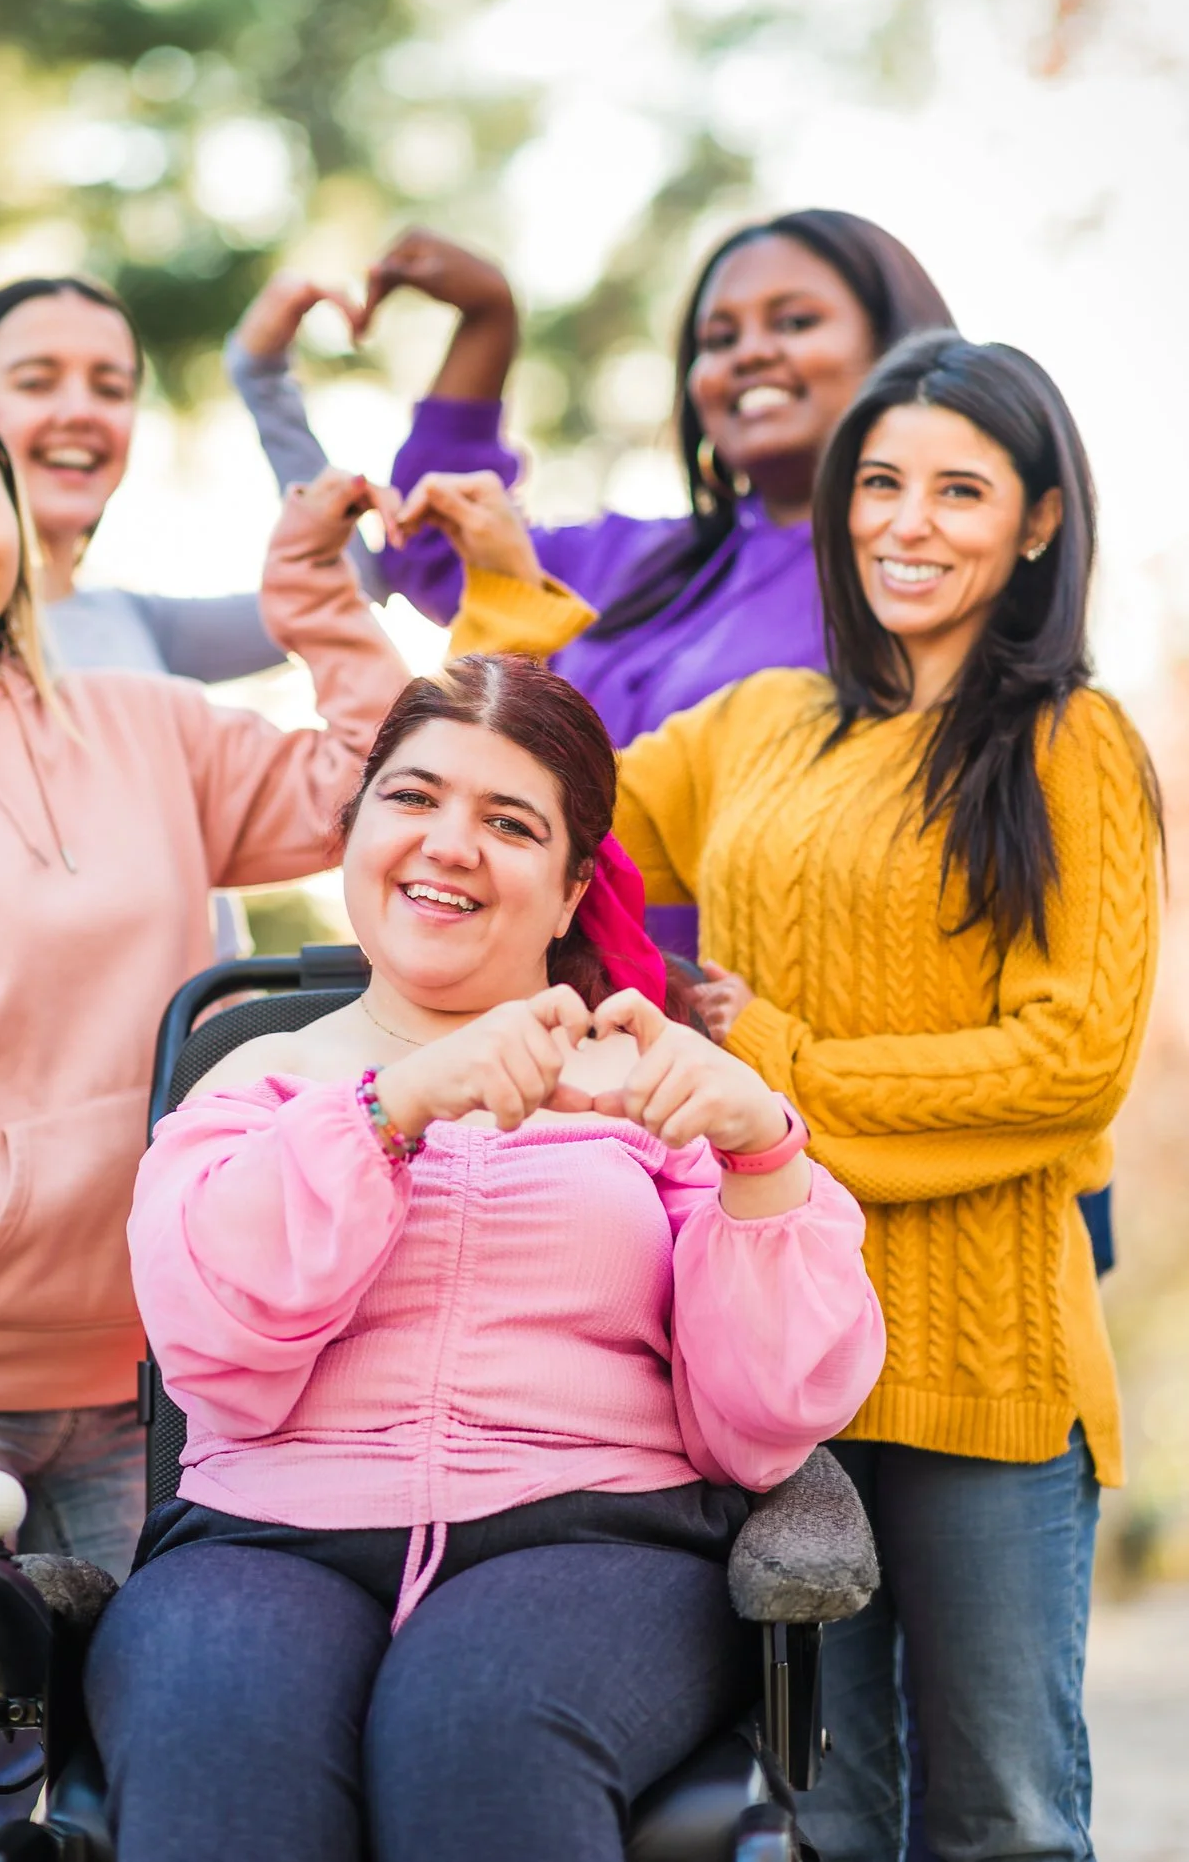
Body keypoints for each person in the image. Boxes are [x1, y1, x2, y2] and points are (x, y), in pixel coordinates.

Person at [433, 333, 1162, 1860]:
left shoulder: (1069, 741)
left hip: (985, 1378)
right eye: (878, 482)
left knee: (1005, 1823)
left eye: (959, 489)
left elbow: (1066, 1066)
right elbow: (552, 814)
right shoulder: (761, 722)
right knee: (811, 1824)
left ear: (1035, 521)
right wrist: (501, 594)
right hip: (772, 1377)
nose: (907, 520)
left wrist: (771, 1067)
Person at [86, 654, 886, 1862]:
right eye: (412, 799)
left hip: (595, 1540)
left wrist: (762, 1153)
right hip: (264, 1533)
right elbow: (214, 1352)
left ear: (569, 893)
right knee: (217, 1733)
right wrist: (385, 1111)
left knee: (476, 1724)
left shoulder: (654, 1098)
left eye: (508, 822)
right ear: (351, 832)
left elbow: (763, 1423)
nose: (449, 843)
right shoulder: (253, 1076)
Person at [0, 378, 409, 1862]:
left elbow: (383, 794)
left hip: (150, 1391)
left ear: (12, 518)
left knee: (141, 1796)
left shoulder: (146, 729)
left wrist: (317, 600)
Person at [233, 215, 955, 960]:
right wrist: (489, 322)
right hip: (541, 1011)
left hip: (733, 1036)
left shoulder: (919, 583)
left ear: (897, 350)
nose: (751, 354)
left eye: (796, 321)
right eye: (719, 339)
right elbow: (435, 550)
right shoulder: (641, 559)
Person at [0, 273, 370, 679]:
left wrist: (261, 377)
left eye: (111, 389)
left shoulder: (140, 627)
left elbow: (350, 584)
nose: (81, 412)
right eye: (36, 382)